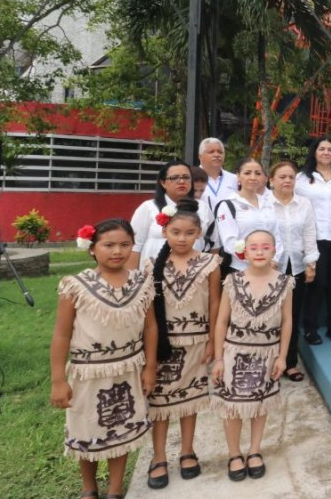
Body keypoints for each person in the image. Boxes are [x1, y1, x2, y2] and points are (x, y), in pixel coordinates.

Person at [50, 219, 156, 499]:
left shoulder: (141, 282)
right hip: (88, 373)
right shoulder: (75, 285)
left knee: (121, 429)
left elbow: (150, 327)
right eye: (108, 245)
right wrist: (59, 380)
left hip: (128, 369)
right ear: (92, 248)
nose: (117, 251)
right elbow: (61, 335)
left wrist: (150, 368)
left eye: (125, 244)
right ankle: (89, 489)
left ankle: (115, 489)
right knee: (87, 429)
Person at [143, 200, 221, 490]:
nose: (182, 238)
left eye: (189, 233)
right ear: (165, 232)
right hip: (164, 343)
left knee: (191, 400)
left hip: (197, 341)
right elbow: (149, 308)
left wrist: (214, 338)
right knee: (160, 404)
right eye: (176, 232)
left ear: (199, 233)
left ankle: (187, 450)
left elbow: (214, 301)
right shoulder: (153, 265)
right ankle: (159, 456)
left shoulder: (210, 263)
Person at [210, 230, 293, 482]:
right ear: (243, 252)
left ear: (274, 251)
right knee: (232, 407)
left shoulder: (285, 282)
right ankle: (234, 454)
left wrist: (282, 357)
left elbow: (288, 321)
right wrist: (219, 358)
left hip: (267, 352)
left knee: (260, 404)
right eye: (253, 247)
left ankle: (255, 450)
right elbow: (221, 321)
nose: (259, 252)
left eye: (265, 247)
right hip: (235, 351)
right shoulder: (232, 281)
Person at [296, 137, 331, 342]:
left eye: (330, 149)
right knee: (317, 283)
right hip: (314, 238)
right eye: (322, 149)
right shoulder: (302, 179)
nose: (326, 152)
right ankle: (310, 328)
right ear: (314, 152)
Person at [270, 160, 318, 381]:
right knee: (269, 317)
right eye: (282, 176)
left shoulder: (304, 204)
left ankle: (289, 363)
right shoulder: (264, 204)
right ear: (271, 181)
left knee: (292, 315)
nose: (287, 180)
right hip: (270, 267)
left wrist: (311, 263)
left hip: (297, 265)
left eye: (291, 177)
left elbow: (309, 233)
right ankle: (268, 363)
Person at [215, 158, 284, 274]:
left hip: (270, 269)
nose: (253, 177)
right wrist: (256, 260)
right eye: (247, 173)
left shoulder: (268, 202)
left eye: (258, 173)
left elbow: (277, 236)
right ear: (238, 176)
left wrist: (273, 259)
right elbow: (230, 243)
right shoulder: (228, 204)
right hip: (241, 269)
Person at [128, 160, 196, 270]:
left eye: (186, 177)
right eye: (174, 178)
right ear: (163, 182)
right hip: (153, 272)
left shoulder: (203, 208)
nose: (181, 181)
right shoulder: (148, 207)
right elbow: (135, 245)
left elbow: (213, 244)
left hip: (192, 271)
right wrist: (132, 279)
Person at [198, 138, 238, 240]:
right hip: (201, 234)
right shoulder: (191, 177)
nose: (217, 155)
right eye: (211, 152)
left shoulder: (234, 179)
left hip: (230, 234)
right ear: (200, 157)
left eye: (220, 152)